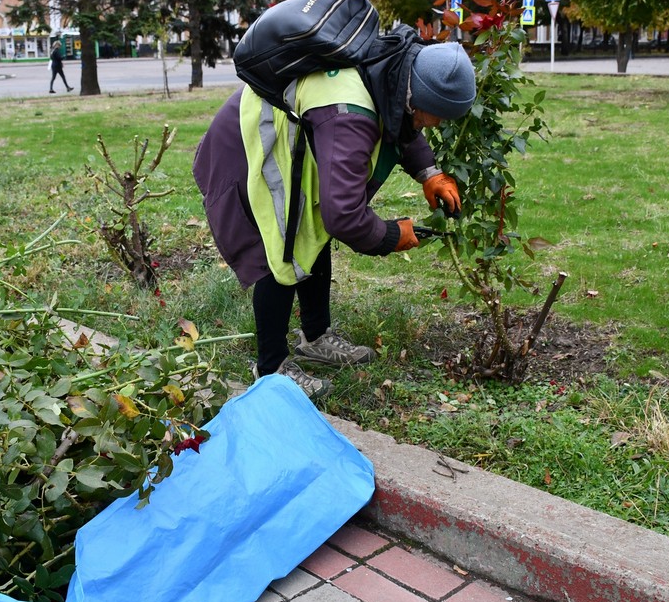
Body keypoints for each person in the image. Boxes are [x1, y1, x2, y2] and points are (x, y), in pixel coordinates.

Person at [193, 39, 475, 400]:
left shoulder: (393, 70)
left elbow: (399, 122)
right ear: (416, 97)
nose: (434, 125)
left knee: (311, 232)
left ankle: (316, 336)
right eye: (436, 115)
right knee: (277, 251)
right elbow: (343, 215)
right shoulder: (350, 116)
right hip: (248, 145)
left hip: (291, 137)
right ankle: (271, 368)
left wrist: (429, 172)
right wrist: (391, 235)